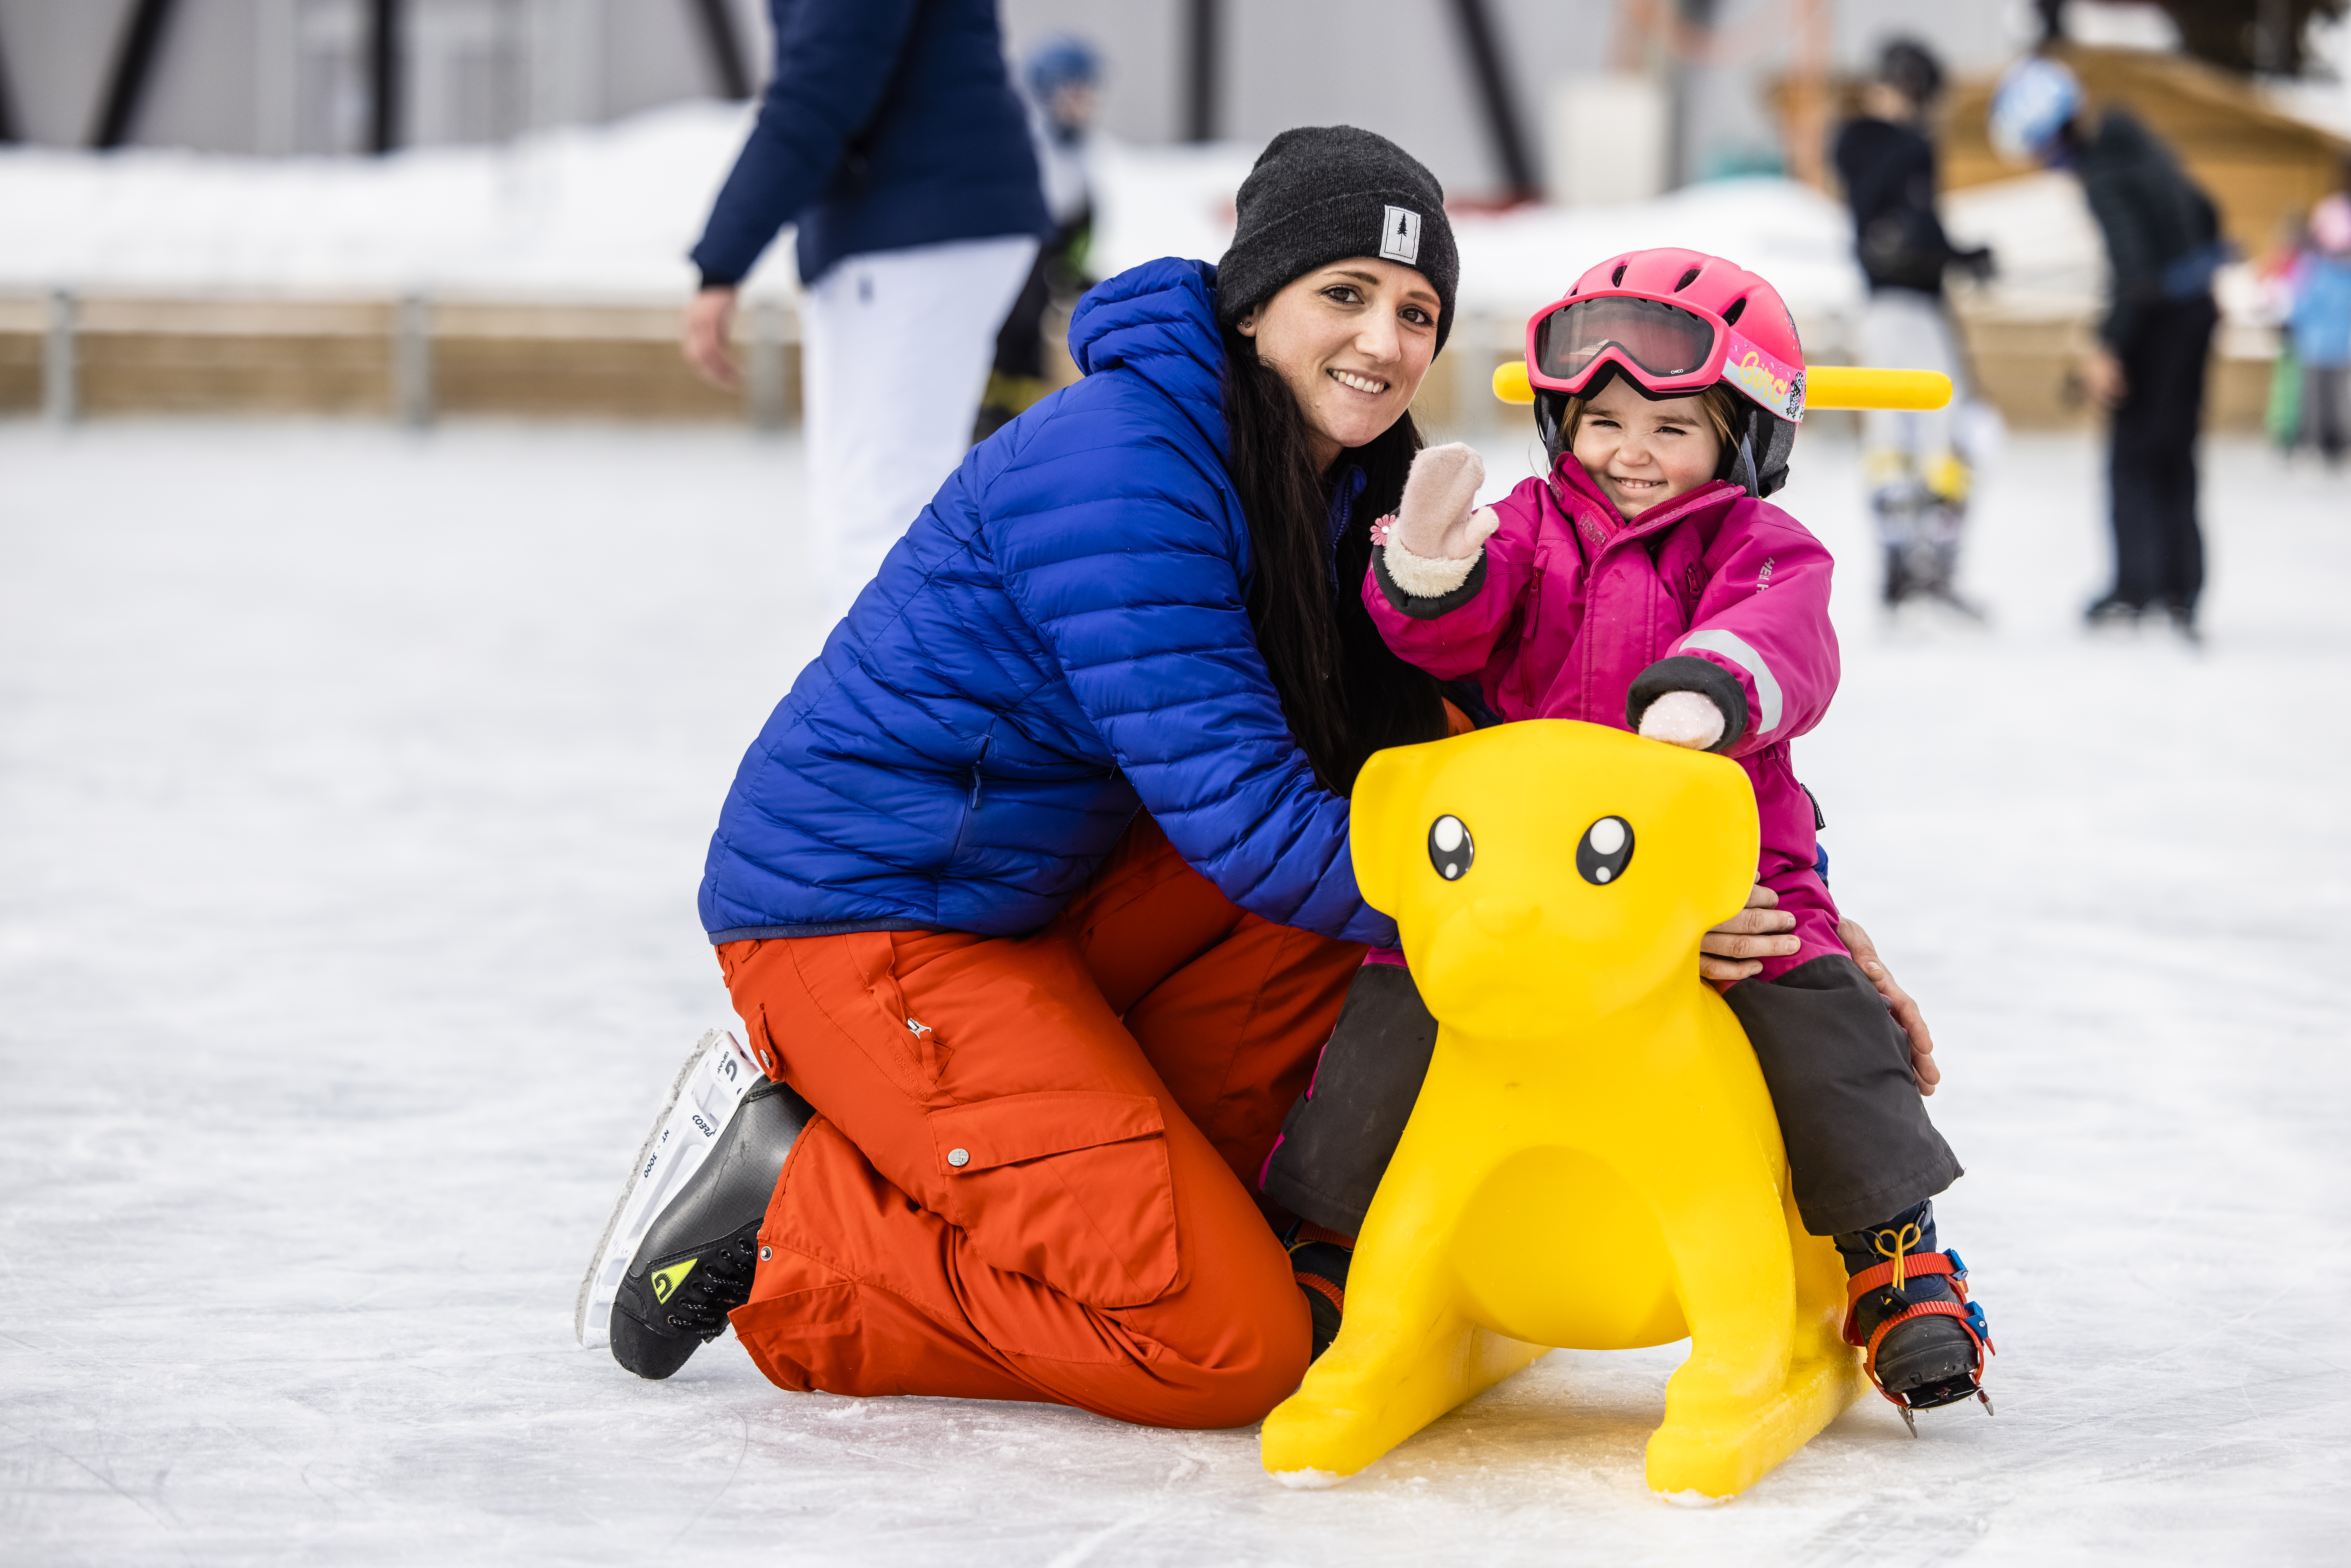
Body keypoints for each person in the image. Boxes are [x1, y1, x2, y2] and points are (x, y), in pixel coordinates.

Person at [589, 129, 1940, 1432]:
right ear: (1252, 300)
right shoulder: (1123, 466)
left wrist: (1774, 911)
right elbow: (1246, 815)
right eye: (1344, 293)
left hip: (1065, 886)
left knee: (1368, 1003)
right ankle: (796, 1209)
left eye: (1417, 311)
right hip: (881, 920)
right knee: (1227, 1345)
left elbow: (1460, 744)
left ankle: (1038, 1166)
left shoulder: (1344, 476)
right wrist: (1616, 933)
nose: (1385, 341)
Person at [1262, 249, 1991, 1426]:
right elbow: (1451, 630)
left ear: (1741, 438)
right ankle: (1331, 1233)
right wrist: (1430, 566)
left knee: (1812, 1009)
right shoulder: (1533, 527)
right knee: (1395, 1003)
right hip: (1527, 872)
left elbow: (1788, 635)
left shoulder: (1754, 543)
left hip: (1724, 873)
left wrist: (1713, 682)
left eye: (1671, 425)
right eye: (1600, 421)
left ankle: (1890, 1252)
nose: (1630, 452)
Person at [681, 0, 1051, 617]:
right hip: (923, 214)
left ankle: (889, 709)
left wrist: (723, 260)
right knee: (882, 503)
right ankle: (899, 701)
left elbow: (821, 87)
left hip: (911, 226)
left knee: (879, 511)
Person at [1991, 55, 2226, 641]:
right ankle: (2179, 591)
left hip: (2159, 323)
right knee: (2174, 455)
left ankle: (2136, 589)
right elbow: (2207, 215)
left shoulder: (2106, 175)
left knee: (2134, 459)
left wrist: (2107, 349)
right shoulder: (2140, 148)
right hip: (2195, 313)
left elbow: (2135, 272)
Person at [1832, 37, 1996, 617]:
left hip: (1916, 305)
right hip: (1894, 308)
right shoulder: (1873, 141)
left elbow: (1919, 229)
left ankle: (1926, 567)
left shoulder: (1902, 146)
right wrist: (1948, 254)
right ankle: (1906, 567)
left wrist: (1959, 256)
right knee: (1926, 435)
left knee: (1927, 440)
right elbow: (1890, 229)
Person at [973, 35, 1103, 440]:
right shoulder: (1023, 151)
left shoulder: (1075, 157)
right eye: (1074, 90)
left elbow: (1077, 233)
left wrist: (1075, 271)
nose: (1085, 103)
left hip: (1032, 322)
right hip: (1001, 322)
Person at [2286, 187, 2351, 466]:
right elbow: (2303, 302)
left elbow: (2302, 303)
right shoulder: (2315, 267)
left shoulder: (2316, 267)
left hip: (2326, 345)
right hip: (2322, 345)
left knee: (2326, 400)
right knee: (2322, 400)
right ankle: (2321, 446)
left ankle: (2327, 446)